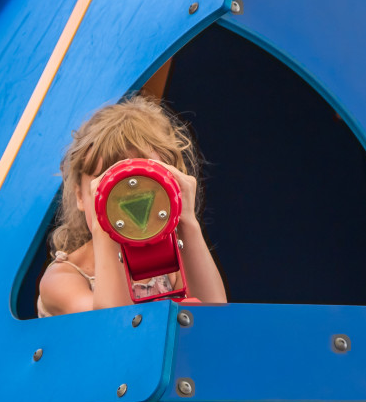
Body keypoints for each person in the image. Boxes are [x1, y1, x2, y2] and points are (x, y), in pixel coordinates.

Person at [37, 96, 226, 317]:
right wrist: (104, 224)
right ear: (80, 196)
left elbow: (214, 316)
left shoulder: (169, 268)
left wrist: (187, 222)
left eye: (144, 184)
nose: (125, 200)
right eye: (106, 183)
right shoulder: (64, 278)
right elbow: (114, 328)